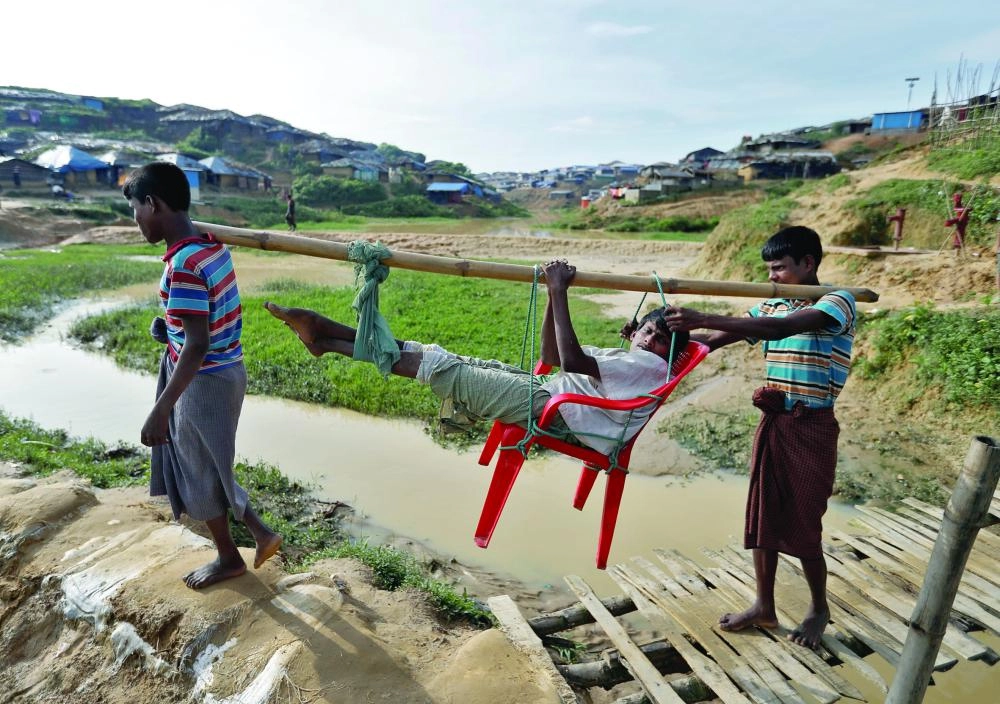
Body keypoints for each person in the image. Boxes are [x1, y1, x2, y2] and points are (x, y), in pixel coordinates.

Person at [263, 260, 689, 455]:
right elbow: (550, 354)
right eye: (646, 329)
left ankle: (328, 336)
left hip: (557, 411)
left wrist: (560, 291)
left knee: (443, 369)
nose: (646, 338)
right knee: (435, 356)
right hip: (550, 393)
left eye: (656, 337)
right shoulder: (638, 359)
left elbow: (573, 363)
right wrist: (549, 297)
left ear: (666, 352)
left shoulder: (650, 366)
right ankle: (328, 339)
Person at [662, 225, 856, 650]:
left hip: (812, 425)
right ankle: (764, 606)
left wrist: (705, 315)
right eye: (768, 270)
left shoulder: (837, 301)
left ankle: (819, 608)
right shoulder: (774, 303)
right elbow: (711, 341)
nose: (773, 277)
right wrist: (661, 335)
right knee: (764, 514)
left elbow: (783, 328)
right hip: (776, 422)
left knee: (805, 521)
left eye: (781, 268)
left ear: (808, 263)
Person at [122, 162, 282, 590]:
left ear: (153, 204)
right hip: (223, 370)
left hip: (204, 379)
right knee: (209, 463)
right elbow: (198, 324)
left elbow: (197, 344)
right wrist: (168, 329)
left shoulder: (186, 264)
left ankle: (232, 556)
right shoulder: (210, 247)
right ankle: (258, 535)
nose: (136, 221)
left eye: (136, 210)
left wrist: (160, 410)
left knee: (200, 469)